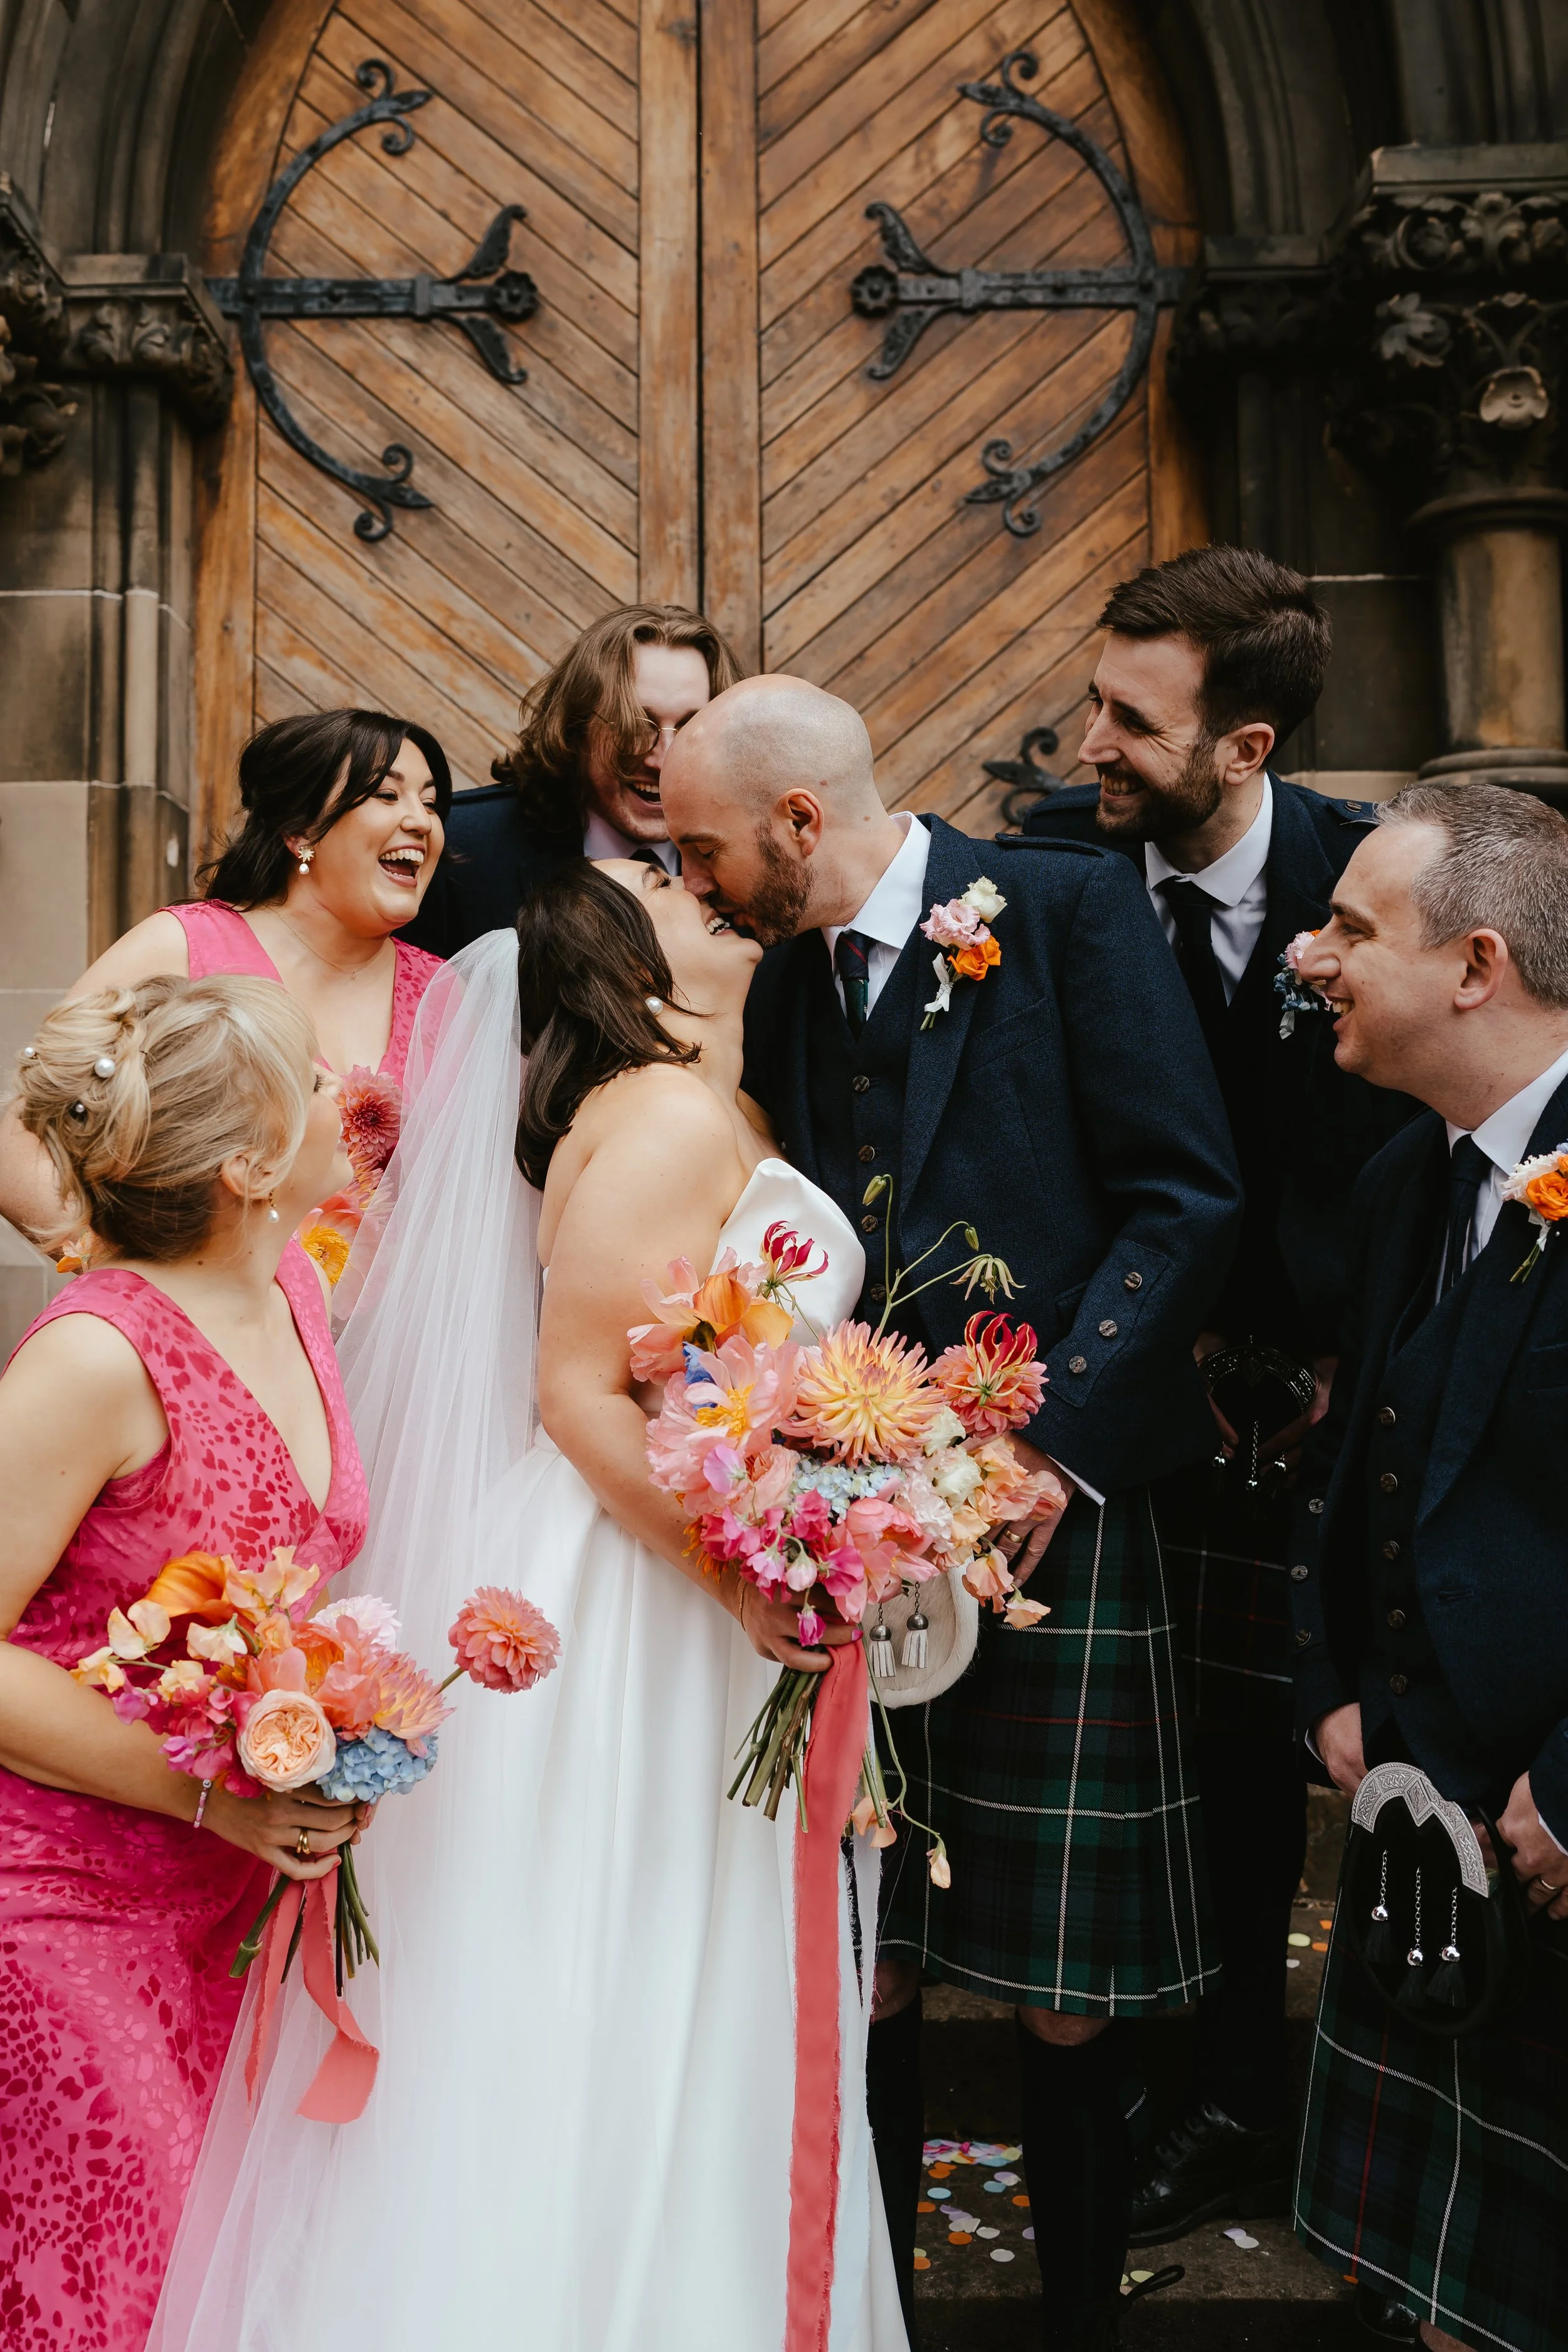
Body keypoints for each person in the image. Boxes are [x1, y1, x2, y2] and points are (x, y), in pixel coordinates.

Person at [148, 866, 906, 2351]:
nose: (712, 890)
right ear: (627, 957)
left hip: (687, 1566)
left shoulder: (693, 1106)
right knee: (617, 1956)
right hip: (634, 1593)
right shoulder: (662, 1113)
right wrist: (745, 1578)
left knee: (676, 1962)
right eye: (674, 889)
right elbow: (574, 1392)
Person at [659, 675, 1244, 2352]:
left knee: (1062, 1991)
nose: (694, 883)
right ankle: (881, 2314)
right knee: (878, 1946)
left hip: (1050, 1502)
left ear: (796, 820)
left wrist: (1050, 1447)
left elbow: (1181, 1191)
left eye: (706, 847)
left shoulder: (1060, 909)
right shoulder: (785, 983)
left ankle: (1075, 2323)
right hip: (851, 1511)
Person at [1024, 547, 1418, 2254]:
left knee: (1277, 1765)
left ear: (1244, 745)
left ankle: (1255, 2091)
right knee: (1137, 1760)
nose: (1087, 740)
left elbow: (1433, 1120)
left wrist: (1342, 1347)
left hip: (1337, 1400)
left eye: (1131, 717)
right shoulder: (1045, 871)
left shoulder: (1366, 876)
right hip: (1122, 1398)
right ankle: (1142, 2063)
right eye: (1095, 700)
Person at [0, 975, 369, 2352]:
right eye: (317, 1081)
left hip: (230, 1910)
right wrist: (213, 1797)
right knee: (123, 2297)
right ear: (251, 1160)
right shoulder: (97, 1356)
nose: (349, 1094)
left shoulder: (293, 1296)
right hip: (61, 1907)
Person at [1290, 783, 1568, 2352]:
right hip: (1431, 1822)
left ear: (1475, 965)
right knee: (1450, 2300)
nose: (1311, 953)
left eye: (1348, 927)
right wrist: (1332, 1680)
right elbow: (1357, 1459)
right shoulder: (1407, 1174)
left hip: (1554, 1825)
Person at [0, 708, 450, 1245]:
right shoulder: (184, 947)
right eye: (386, 794)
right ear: (300, 830)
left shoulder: (444, 995)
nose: (422, 821)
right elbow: (21, 1142)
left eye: (429, 803)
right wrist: (128, 1274)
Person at [401, 602, 742, 956]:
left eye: (692, 728)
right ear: (577, 728)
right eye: (634, 726)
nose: (666, 760)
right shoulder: (458, 849)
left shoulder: (764, 860)